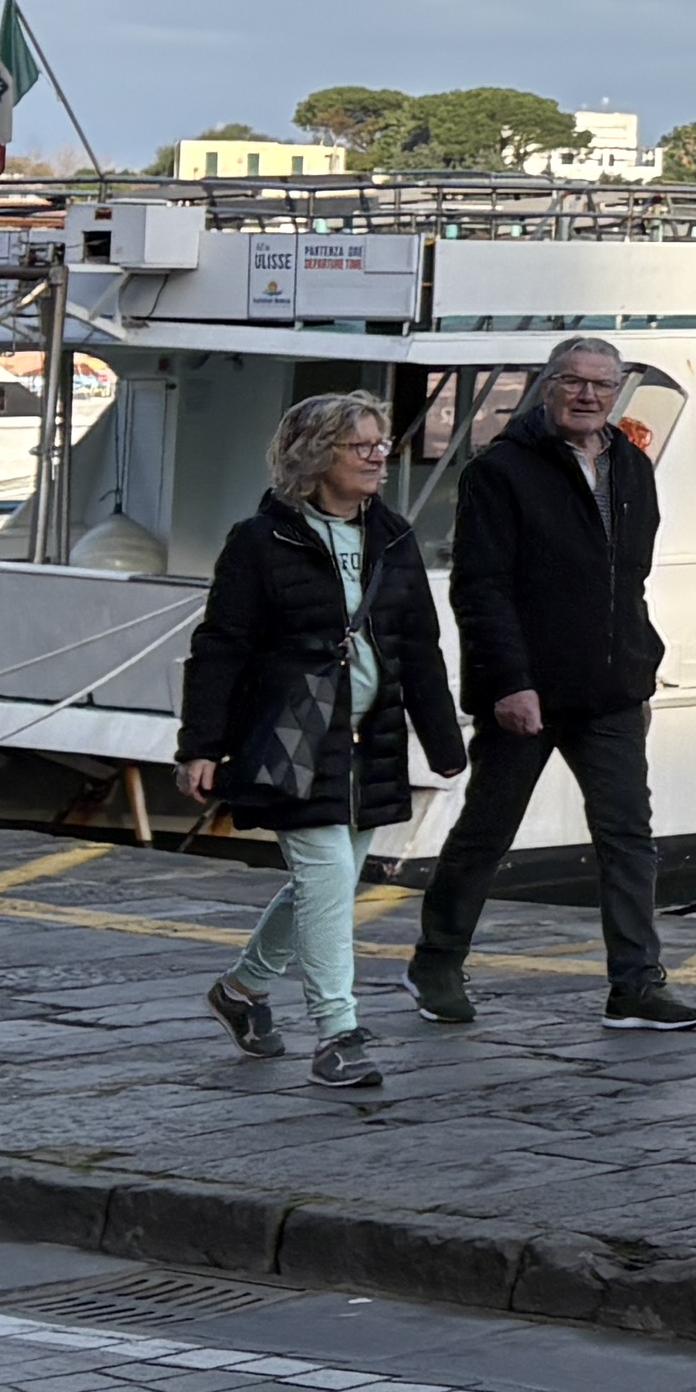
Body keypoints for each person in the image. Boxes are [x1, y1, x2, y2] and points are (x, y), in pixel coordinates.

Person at [182, 389, 466, 1092]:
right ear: (314, 456)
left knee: (325, 883)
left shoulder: (392, 536)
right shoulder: (260, 540)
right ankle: (337, 1035)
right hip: (293, 736)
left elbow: (418, 644)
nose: (378, 457)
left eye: (380, 444)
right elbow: (221, 646)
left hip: (370, 739)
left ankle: (241, 991)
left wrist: (444, 742)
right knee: (327, 878)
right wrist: (200, 746)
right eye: (359, 445)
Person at [420, 335, 696, 1030]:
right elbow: (481, 589)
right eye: (574, 381)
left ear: (617, 392)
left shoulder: (630, 466)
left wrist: (640, 666)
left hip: (611, 692)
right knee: (487, 831)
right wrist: (509, 684)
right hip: (528, 693)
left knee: (628, 838)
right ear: (547, 386)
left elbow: (628, 579)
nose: (588, 395)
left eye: (602, 384)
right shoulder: (499, 472)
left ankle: (635, 986)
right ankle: (436, 963)